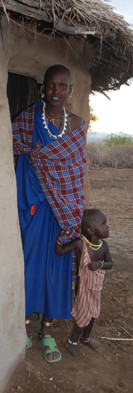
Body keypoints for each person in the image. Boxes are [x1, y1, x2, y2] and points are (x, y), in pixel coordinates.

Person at [12, 64, 86, 363]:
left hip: (62, 212)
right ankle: (26, 327)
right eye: (50, 85)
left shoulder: (78, 124)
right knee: (30, 264)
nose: (56, 91)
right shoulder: (29, 118)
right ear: (43, 87)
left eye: (62, 86)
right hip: (33, 206)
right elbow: (12, 150)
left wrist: (70, 207)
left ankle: (47, 331)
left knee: (56, 267)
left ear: (70, 90)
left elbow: (76, 171)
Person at [55, 208, 113, 357]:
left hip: (96, 287)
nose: (108, 227)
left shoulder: (104, 246)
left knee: (93, 313)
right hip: (83, 287)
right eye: (104, 224)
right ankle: (72, 341)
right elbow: (60, 252)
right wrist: (60, 239)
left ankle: (85, 338)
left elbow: (110, 264)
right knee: (84, 314)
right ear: (91, 230)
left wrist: (99, 265)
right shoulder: (80, 244)